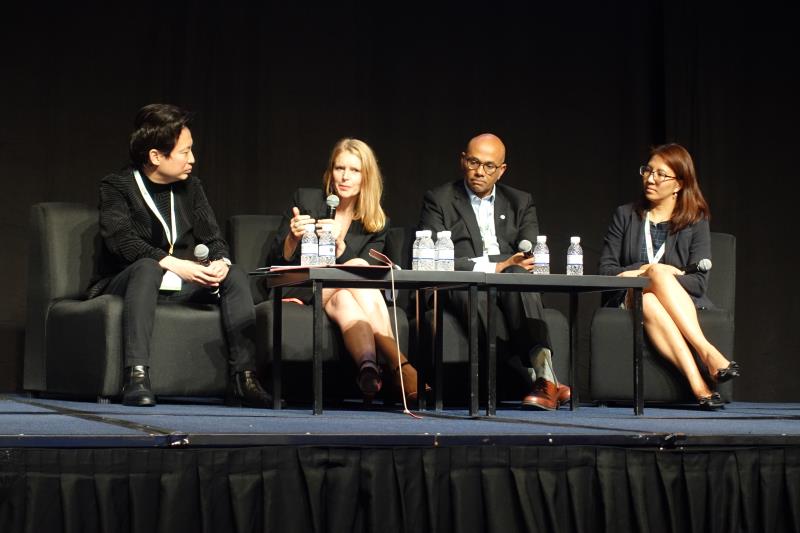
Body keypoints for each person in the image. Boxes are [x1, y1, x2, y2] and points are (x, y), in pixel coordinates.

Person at [86, 104, 274, 408]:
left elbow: (213, 238)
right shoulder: (117, 186)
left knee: (235, 274)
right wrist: (175, 264)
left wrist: (218, 264)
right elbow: (122, 242)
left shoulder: (190, 188)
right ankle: (136, 377)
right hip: (124, 282)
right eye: (184, 152)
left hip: (173, 285)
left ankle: (245, 378)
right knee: (147, 267)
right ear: (156, 156)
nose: (192, 159)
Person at [417, 133, 570, 410]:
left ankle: (544, 377)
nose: (480, 172)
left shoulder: (520, 202)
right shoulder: (439, 199)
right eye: (474, 162)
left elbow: (528, 256)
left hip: (510, 285)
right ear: (463, 161)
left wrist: (502, 266)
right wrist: (497, 264)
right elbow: (441, 259)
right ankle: (538, 380)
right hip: (459, 285)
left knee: (519, 276)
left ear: (501, 171)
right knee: (477, 287)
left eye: (489, 166)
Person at [266, 138, 425, 404]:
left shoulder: (376, 221)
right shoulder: (307, 200)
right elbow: (275, 258)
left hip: (342, 290)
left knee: (346, 295)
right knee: (356, 269)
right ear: (330, 172)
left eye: (354, 170)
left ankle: (369, 371)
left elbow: (366, 273)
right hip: (303, 284)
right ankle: (399, 365)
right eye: (340, 168)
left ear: (367, 177)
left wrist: (340, 246)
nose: (345, 177)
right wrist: (292, 239)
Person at [598, 143, 740, 409]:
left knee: (651, 300)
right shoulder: (625, 215)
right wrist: (648, 271)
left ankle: (697, 383)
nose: (650, 179)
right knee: (656, 273)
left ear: (679, 184)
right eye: (647, 171)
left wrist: (654, 277)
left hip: (673, 302)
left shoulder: (695, 221)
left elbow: (698, 282)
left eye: (661, 174)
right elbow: (606, 271)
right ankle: (707, 352)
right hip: (626, 297)